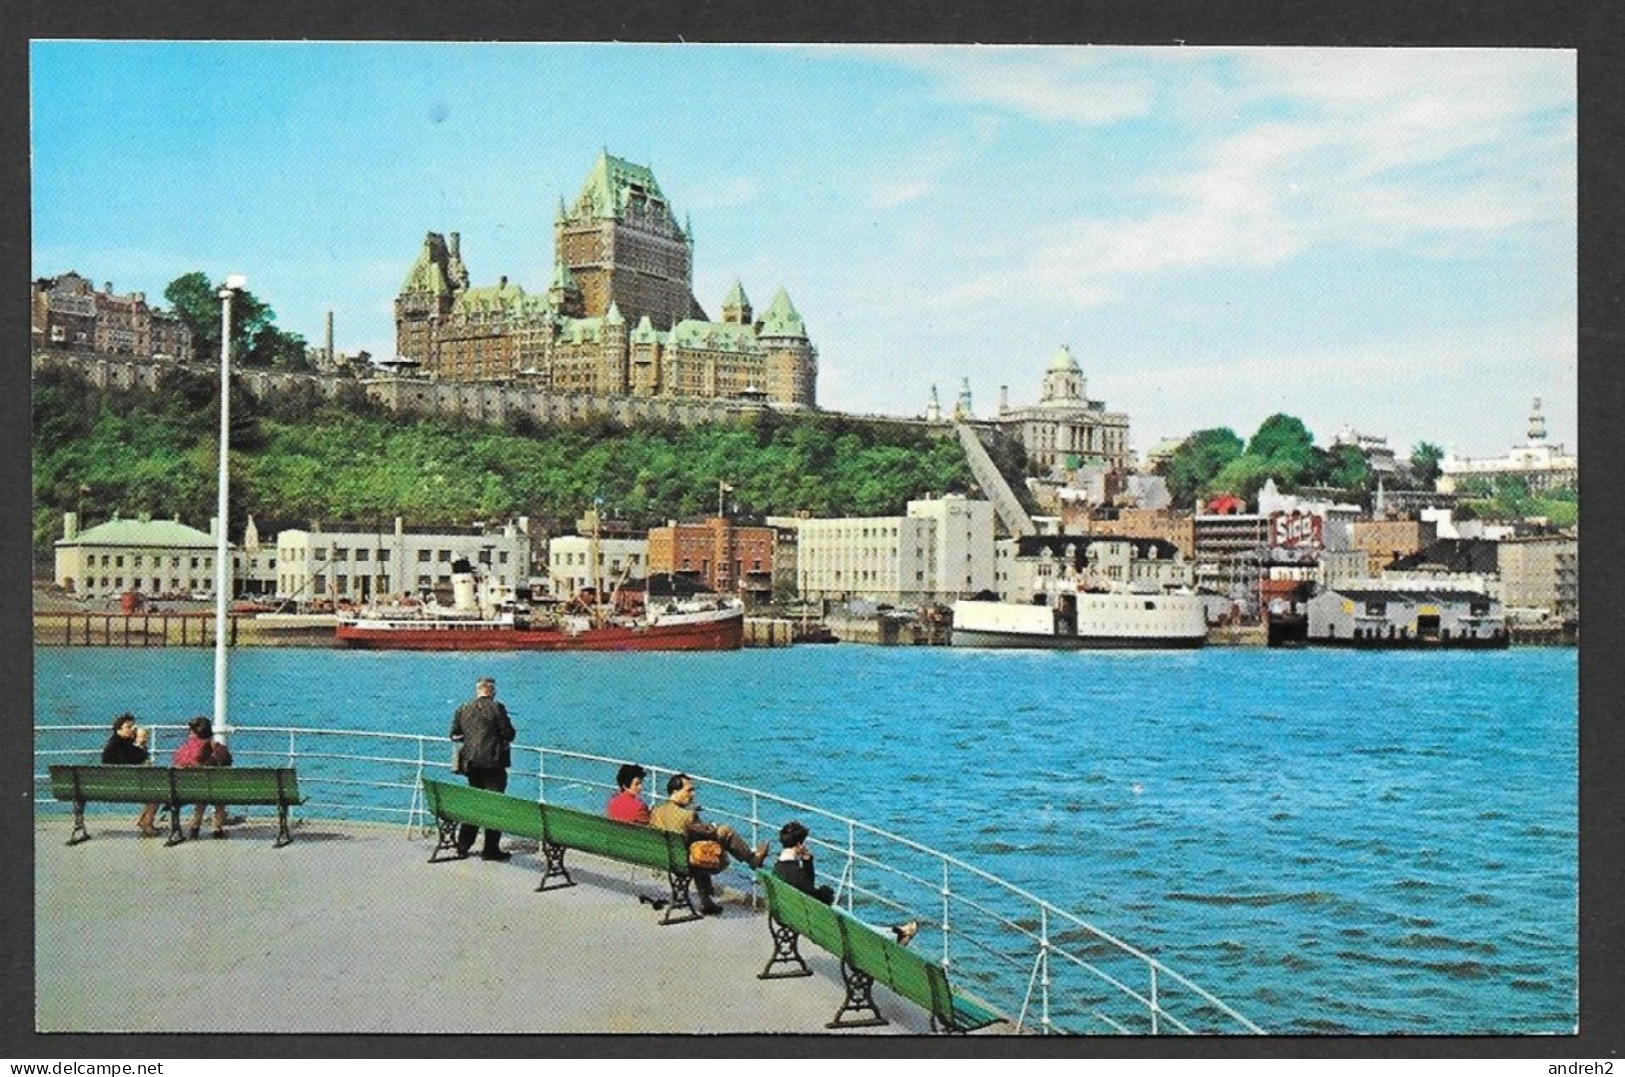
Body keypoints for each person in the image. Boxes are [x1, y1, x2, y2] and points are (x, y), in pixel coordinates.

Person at [774, 818, 917, 946]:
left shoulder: (778, 867)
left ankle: (897, 932)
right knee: (856, 925)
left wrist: (806, 861)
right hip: (816, 918)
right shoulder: (795, 872)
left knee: (857, 923)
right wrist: (826, 891)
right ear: (799, 845)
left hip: (797, 914)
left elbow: (807, 888)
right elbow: (813, 891)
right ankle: (896, 935)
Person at [648, 773, 769, 915]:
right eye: (689, 790)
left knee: (696, 847)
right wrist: (706, 822)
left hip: (664, 859)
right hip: (684, 863)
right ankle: (752, 859)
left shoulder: (656, 812)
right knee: (725, 832)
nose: (692, 794)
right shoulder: (688, 816)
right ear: (675, 791)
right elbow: (709, 832)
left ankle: (706, 901)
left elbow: (673, 823)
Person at [449, 675, 516, 860]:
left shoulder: (463, 708)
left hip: (471, 764)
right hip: (494, 764)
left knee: (474, 803)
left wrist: (471, 741)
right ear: (491, 691)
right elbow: (509, 734)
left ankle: (463, 845)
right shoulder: (497, 708)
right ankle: (490, 849)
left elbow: (454, 734)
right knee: (494, 806)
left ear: (477, 690)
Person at [100, 713, 160, 837]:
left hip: (116, 784)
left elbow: (139, 760)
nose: (132, 730)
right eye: (128, 727)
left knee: (154, 789)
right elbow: (137, 760)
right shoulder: (117, 745)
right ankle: (147, 824)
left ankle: (143, 821)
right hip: (122, 786)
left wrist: (138, 743)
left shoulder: (119, 742)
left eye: (133, 727)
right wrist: (140, 742)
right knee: (157, 793)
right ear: (118, 729)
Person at [171, 716, 231, 839]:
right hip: (212, 788)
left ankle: (195, 826)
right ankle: (217, 828)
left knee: (202, 793)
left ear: (192, 732)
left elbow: (176, 763)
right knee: (216, 793)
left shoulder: (184, 749)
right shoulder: (216, 748)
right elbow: (227, 761)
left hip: (187, 790)